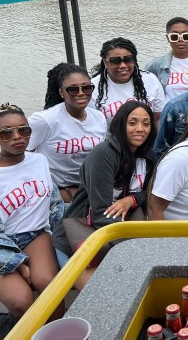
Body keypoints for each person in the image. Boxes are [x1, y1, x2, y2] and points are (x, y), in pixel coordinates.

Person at [0, 104, 64, 320]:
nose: (17, 137)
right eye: (7, 133)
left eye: (24, 130)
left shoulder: (39, 161)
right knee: (20, 300)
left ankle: (59, 332)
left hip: (34, 236)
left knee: (50, 286)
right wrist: (16, 263)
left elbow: (53, 203)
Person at [53, 100, 156, 286]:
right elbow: (100, 214)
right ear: (120, 124)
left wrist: (131, 199)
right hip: (81, 233)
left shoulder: (148, 156)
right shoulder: (103, 155)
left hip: (119, 232)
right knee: (101, 293)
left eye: (146, 123)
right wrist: (139, 247)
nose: (140, 129)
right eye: (132, 123)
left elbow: (148, 192)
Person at [28, 63, 107, 203]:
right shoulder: (45, 121)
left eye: (87, 88)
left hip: (90, 189)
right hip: (58, 194)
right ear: (61, 92)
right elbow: (23, 155)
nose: (81, 93)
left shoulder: (99, 117)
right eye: (73, 89)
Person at [91, 37, 166, 126]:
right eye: (115, 61)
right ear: (105, 62)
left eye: (128, 59)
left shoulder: (150, 80)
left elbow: (158, 118)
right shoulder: (92, 88)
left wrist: (158, 140)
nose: (122, 65)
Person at [145, 17, 188, 101]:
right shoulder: (156, 65)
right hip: (169, 113)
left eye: (186, 36)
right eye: (174, 37)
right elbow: (146, 88)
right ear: (168, 38)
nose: (180, 40)